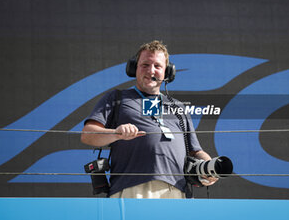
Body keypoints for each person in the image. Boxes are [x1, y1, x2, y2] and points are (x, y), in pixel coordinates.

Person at [81, 40, 217, 198]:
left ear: (167, 72)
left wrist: (209, 167)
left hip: (177, 191)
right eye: (145, 65)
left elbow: (196, 151)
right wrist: (116, 134)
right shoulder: (116, 98)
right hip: (132, 188)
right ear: (134, 68)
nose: (151, 70)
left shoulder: (178, 107)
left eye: (157, 66)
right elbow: (87, 135)